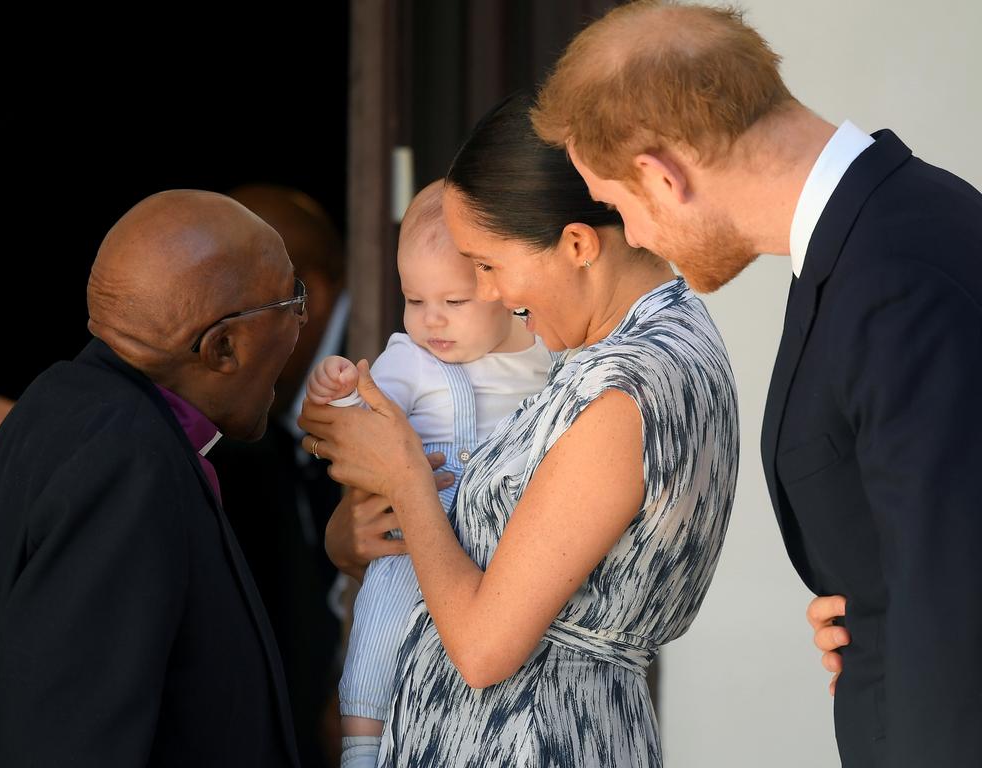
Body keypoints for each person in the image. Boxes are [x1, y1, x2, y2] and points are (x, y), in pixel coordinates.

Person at [531, 2, 982, 765]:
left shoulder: (893, 275)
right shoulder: (877, 232)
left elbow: (955, 604)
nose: (633, 238)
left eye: (616, 207)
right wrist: (868, 596)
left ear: (662, 175)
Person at [301, 93, 739, 767]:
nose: (491, 294)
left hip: (534, 739)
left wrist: (406, 478)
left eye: (487, 265)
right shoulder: (621, 349)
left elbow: (481, 651)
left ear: (576, 244)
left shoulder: (629, 386)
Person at [0, 190, 306, 767]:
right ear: (222, 348)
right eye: (292, 300)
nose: (301, 323)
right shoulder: (127, 466)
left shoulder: (60, 400)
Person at [307, 179, 552, 767]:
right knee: (380, 624)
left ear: (502, 287)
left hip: (514, 551)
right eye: (414, 301)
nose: (432, 320)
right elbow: (363, 420)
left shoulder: (550, 356)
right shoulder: (410, 360)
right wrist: (338, 396)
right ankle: (363, 744)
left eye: (453, 302)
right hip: (419, 540)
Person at [208, 183, 348, 768]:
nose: (214, 341)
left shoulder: (381, 368)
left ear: (303, 299)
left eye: (227, 311)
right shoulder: (282, 403)